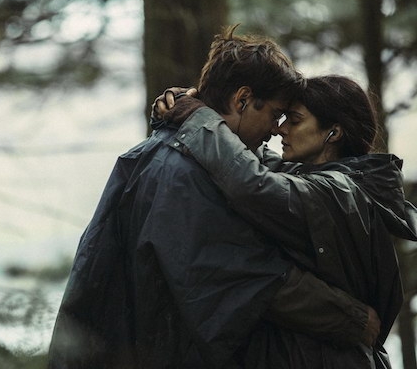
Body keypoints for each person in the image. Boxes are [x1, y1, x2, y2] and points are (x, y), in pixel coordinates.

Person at [47, 27, 380, 369]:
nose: (275, 129)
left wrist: (190, 114)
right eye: (275, 113)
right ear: (242, 100)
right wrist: (353, 320)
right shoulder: (186, 173)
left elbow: (257, 176)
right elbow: (250, 276)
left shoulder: (169, 155)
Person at [154, 74, 417, 368]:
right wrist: (194, 106)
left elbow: (250, 183)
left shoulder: (338, 192)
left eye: (294, 120)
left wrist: (197, 117)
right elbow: (249, 157)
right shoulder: (314, 178)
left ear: (333, 133)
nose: (280, 129)